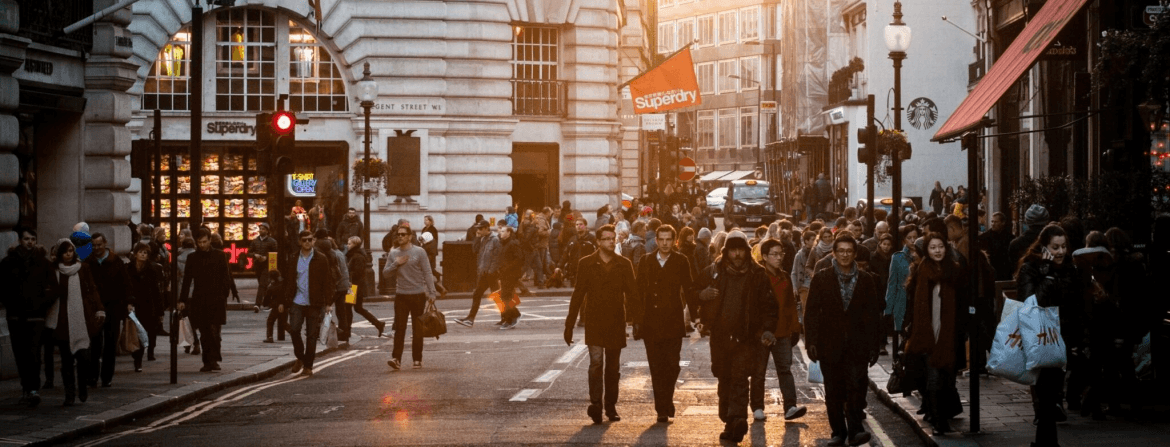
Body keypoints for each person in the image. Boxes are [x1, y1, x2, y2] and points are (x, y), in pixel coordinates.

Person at [695, 231, 779, 443]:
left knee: (740, 378)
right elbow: (692, 290)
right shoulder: (714, 271)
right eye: (733, 250)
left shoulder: (757, 275)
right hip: (720, 337)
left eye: (741, 250)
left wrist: (768, 329)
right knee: (723, 377)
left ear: (747, 251)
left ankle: (738, 418)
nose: (737, 254)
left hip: (746, 337)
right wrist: (700, 295)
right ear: (726, 252)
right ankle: (728, 419)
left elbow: (769, 306)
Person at [805, 233, 883, 446]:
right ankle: (838, 432)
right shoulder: (822, 278)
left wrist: (875, 345)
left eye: (849, 251)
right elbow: (811, 312)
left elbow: (873, 315)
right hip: (830, 344)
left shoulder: (866, 280)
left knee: (857, 387)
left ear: (855, 254)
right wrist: (811, 341)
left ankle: (856, 430)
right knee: (834, 391)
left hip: (858, 345)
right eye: (841, 251)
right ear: (834, 253)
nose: (845, 255)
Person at [1016, 224, 1085, 447]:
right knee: (1046, 395)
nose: (1061, 252)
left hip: (1062, 339)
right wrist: (1046, 276)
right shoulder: (1031, 268)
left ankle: (1044, 443)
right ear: (1044, 247)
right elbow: (1030, 301)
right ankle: (1047, 443)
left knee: (1052, 395)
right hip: (1039, 336)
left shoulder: (1071, 269)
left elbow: (1076, 307)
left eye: (1064, 246)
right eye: (1055, 247)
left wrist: (1077, 340)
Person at [564, 224, 641, 424]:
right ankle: (596, 404)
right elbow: (578, 294)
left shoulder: (623, 264)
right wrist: (569, 324)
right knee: (596, 363)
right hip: (594, 321)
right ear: (598, 241)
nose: (609, 241)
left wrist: (637, 321)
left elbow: (633, 294)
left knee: (613, 368)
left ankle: (611, 407)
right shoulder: (586, 263)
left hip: (616, 320)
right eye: (605, 238)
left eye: (612, 238)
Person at [904, 232, 969, 435]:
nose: (937, 251)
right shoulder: (920, 271)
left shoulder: (955, 271)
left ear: (946, 247)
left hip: (949, 335)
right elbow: (911, 304)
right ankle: (939, 421)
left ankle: (940, 415)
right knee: (933, 379)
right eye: (933, 247)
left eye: (940, 246)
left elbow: (964, 302)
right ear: (927, 250)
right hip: (927, 334)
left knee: (947, 379)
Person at [634, 224, 692, 423]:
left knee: (672, 365)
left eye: (669, 239)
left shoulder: (681, 260)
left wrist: (698, 316)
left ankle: (667, 399)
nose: (665, 243)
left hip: (673, 322)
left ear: (674, 241)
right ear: (656, 241)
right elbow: (638, 292)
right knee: (656, 367)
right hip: (651, 322)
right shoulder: (646, 261)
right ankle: (662, 407)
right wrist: (636, 321)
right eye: (662, 239)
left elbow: (689, 288)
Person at [45, 240, 104, 405]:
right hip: (62, 320)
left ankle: (82, 387)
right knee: (66, 361)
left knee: (84, 357)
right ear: (59, 254)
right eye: (65, 251)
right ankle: (69, 394)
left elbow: (92, 289)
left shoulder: (83, 268)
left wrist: (99, 309)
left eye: (71, 251)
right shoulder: (53, 270)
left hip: (81, 319)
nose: (69, 254)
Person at [1, 228, 55, 407]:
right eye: (26, 239)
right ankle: (26, 387)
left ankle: (33, 389)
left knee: (33, 354)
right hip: (15, 315)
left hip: (36, 316)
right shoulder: (8, 262)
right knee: (20, 354)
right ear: (20, 241)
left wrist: (42, 304)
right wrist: (9, 302)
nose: (30, 242)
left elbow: (53, 288)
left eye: (32, 239)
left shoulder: (43, 263)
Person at [756, 239, 808, 421]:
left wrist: (795, 328)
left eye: (781, 254)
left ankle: (790, 406)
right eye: (774, 254)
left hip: (783, 332)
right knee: (758, 371)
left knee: (785, 369)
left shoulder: (785, 276)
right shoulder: (757, 277)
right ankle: (757, 407)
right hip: (762, 334)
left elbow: (790, 306)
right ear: (764, 257)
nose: (779, 258)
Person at [279, 231, 334, 377]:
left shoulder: (321, 259)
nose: (307, 242)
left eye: (310, 240)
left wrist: (328, 302)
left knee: (311, 335)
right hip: (297, 301)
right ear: (299, 242)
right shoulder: (293, 258)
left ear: (314, 241)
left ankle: (308, 366)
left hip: (314, 302)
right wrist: (283, 301)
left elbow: (327, 281)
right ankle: (301, 357)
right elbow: (287, 281)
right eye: (304, 240)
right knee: (294, 330)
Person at [383, 224, 438, 370]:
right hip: (401, 295)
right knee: (400, 329)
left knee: (417, 329)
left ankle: (417, 359)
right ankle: (396, 359)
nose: (400, 237)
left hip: (418, 295)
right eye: (398, 235)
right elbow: (385, 273)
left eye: (403, 234)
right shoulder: (394, 253)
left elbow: (427, 272)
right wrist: (396, 263)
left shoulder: (419, 252)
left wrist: (431, 293)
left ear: (409, 237)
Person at [178, 229, 231, 373]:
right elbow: (187, 280)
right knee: (204, 332)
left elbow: (225, 277)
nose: (202, 245)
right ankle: (207, 361)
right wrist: (182, 299)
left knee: (215, 332)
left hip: (216, 299)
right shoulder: (192, 258)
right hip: (199, 299)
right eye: (199, 242)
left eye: (205, 241)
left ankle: (214, 360)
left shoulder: (219, 255)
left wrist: (224, 295)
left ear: (210, 240)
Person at [85, 233, 133, 387]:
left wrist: (129, 302)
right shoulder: (88, 262)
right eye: (94, 245)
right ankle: (92, 376)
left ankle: (107, 377)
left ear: (105, 243)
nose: (97, 248)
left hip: (113, 308)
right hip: (95, 309)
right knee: (95, 344)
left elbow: (125, 284)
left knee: (110, 345)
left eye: (99, 244)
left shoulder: (115, 261)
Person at [454, 221, 501, 327]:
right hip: (483, 272)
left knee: (493, 295)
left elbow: (497, 257)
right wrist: (477, 238)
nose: (478, 231)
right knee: (490, 295)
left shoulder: (495, 240)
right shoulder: (483, 238)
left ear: (486, 228)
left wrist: (491, 270)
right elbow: (475, 250)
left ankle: (508, 316)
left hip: (491, 273)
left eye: (480, 229)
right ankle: (470, 319)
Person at [128, 242, 165, 371]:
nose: (143, 255)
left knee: (146, 332)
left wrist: (160, 311)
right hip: (133, 305)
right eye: (141, 252)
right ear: (135, 254)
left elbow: (156, 291)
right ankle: (137, 357)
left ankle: (143, 357)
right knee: (136, 333)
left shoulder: (152, 269)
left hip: (149, 305)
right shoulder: (129, 268)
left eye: (146, 253)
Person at [346, 236, 386, 337]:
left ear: (355, 244)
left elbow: (357, 273)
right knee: (357, 308)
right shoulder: (354, 255)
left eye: (349, 243)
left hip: (354, 287)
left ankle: (347, 331)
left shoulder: (357, 256)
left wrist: (349, 275)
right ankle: (378, 324)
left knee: (349, 308)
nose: (347, 245)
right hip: (355, 286)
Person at [497, 225, 525, 328]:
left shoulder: (513, 243)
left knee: (506, 296)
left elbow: (519, 259)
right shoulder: (503, 244)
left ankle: (510, 319)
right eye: (501, 231)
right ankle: (513, 315)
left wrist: (507, 268)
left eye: (504, 231)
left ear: (509, 233)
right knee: (505, 296)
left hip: (511, 274)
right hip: (504, 274)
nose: (501, 233)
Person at [250, 223, 279, 312]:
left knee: (262, 285)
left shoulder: (272, 241)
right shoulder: (255, 241)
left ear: (267, 231)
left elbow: (276, 253)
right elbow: (249, 252)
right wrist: (255, 255)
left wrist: (266, 257)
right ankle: (270, 303)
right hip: (258, 265)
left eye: (263, 229)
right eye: (260, 228)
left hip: (267, 265)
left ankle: (257, 304)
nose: (261, 230)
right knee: (264, 285)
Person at [979, 211, 1016, 281]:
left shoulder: (1010, 238)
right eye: (992, 221)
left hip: (1005, 273)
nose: (993, 224)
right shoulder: (983, 238)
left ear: (1003, 223)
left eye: (996, 222)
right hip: (989, 274)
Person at [262, 270, 287, 343]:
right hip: (284, 306)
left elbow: (267, 297)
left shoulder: (272, 286)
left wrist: (265, 304)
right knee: (284, 323)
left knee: (270, 321)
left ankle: (270, 337)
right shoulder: (283, 284)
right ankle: (294, 333)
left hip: (276, 306)